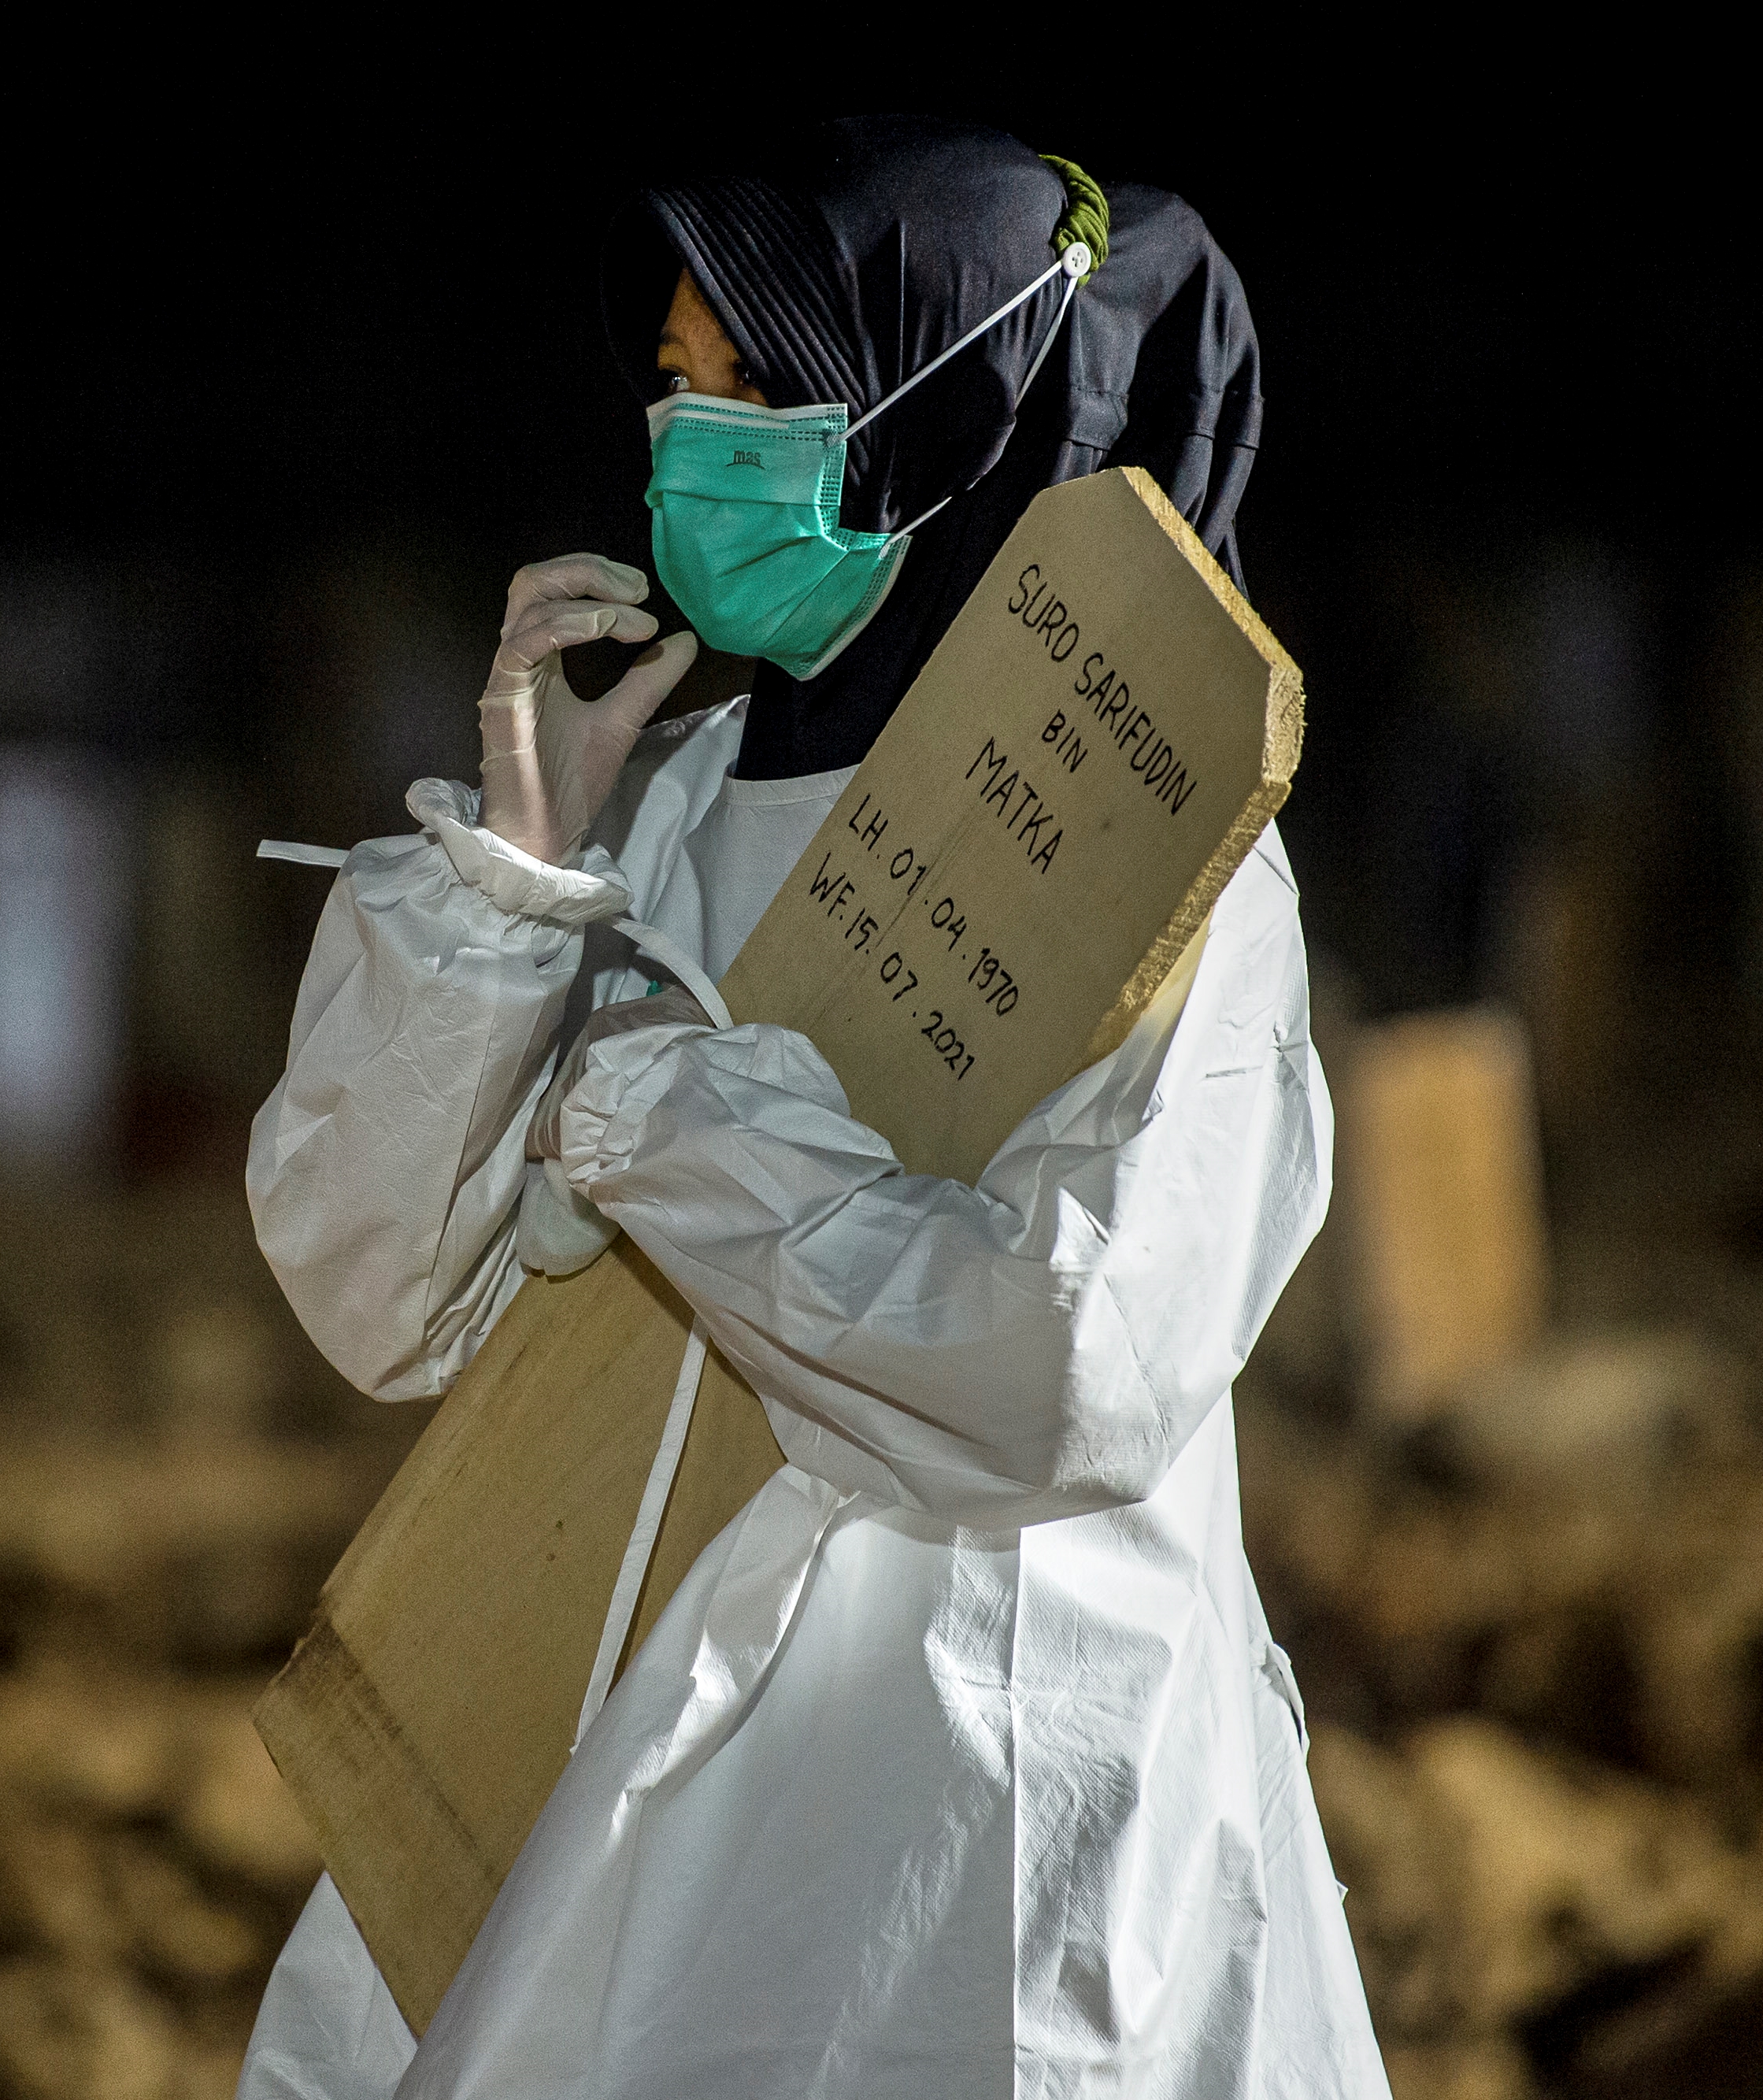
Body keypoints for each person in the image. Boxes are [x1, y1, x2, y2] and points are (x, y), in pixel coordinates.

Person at [239, 116, 1387, 2100]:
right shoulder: (669, 801)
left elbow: (1068, 1374)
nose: (689, 446)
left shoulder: (1163, 857)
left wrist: (675, 1123)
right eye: (675, 393)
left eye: (753, 387)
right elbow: (375, 1293)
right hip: (613, 1785)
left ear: (930, 408)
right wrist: (515, 882)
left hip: (985, 1814)